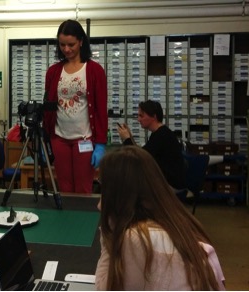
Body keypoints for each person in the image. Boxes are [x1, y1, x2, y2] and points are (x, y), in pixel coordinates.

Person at [95, 146, 225, 290]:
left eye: (103, 189)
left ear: (119, 194)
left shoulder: (136, 239)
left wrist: (111, 232)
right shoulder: (177, 222)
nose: (99, 204)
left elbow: (104, 287)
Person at [43, 19, 108, 194]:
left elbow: (101, 109)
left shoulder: (95, 70)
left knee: (82, 189)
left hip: (84, 139)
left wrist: (101, 143)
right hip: (59, 138)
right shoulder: (53, 71)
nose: (67, 49)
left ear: (81, 41)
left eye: (71, 44)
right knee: (63, 188)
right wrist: (45, 139)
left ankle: (83, 222)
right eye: (62, 44)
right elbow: (48, 108)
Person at [117, 100, 186, 190]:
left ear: (154, 116)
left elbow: (139, 158)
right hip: (163, 179)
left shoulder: (161, 135)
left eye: (141, 116)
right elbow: (142, 152)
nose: (138, 119)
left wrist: (127, 140)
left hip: (169, 184)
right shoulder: (159, 133)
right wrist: (130, 137)